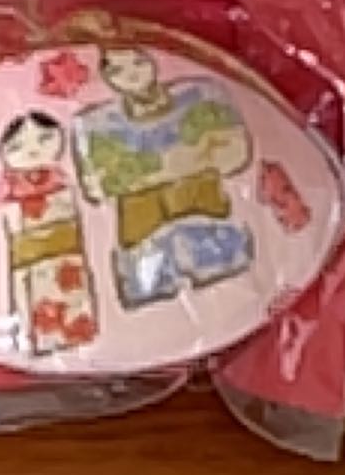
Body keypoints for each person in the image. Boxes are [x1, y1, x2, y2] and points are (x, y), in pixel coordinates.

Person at [73, 44, 256, 310]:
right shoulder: (97, 124)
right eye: (117, 70)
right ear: (108, 79)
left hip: (209, 222)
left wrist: (146, 171)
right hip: (144, 239)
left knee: (232, 297)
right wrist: (191, 157)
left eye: (138, 62)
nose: (131, 74)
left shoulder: (200, 94)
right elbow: (99, 185)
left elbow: (234, 153)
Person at [0, 111, 99, 356]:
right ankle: (32, 342)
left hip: (66, 257)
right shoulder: (7, 193)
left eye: (44, 139)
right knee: (30, 303)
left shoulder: (63, 182)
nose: (33, 151)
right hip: (28, 262)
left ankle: (79, 337)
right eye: (17, 146)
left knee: (73, 298)